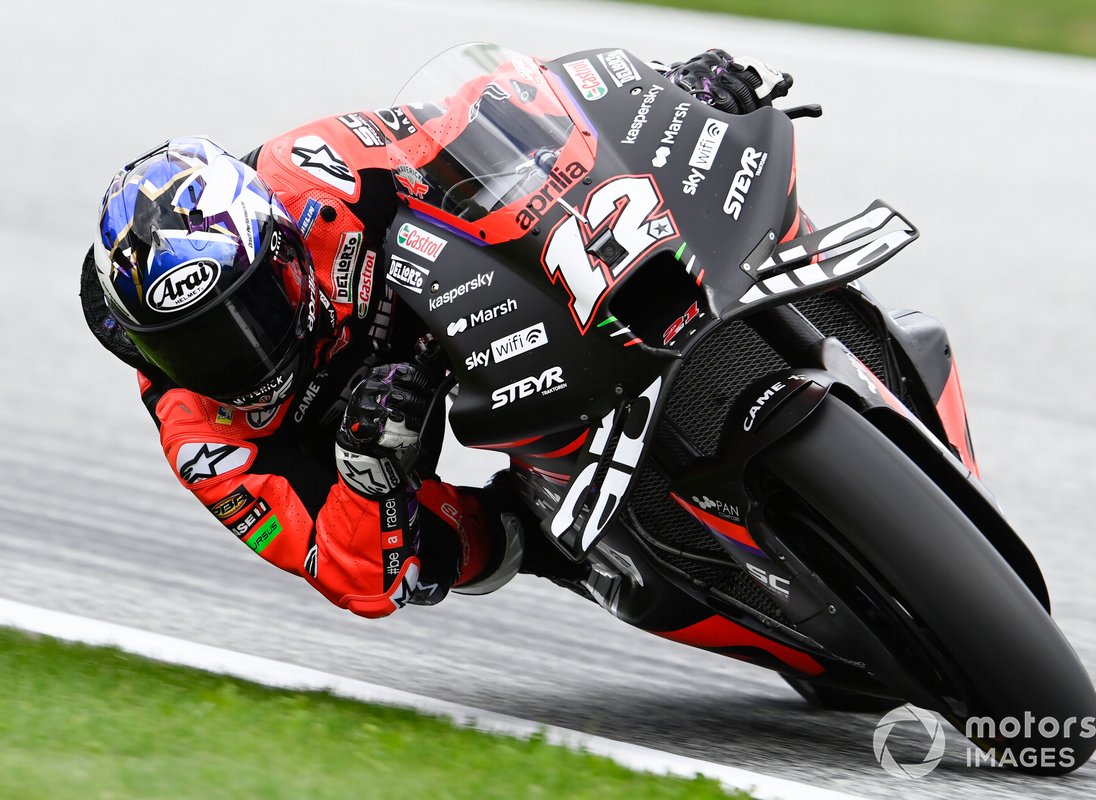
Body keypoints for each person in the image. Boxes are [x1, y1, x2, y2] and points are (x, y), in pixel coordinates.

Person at [80, 48, 792, 618]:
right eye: (195, 344)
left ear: (283, 246)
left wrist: (668, 98)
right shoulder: (204, 441)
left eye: (254, 306)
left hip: (457, 307)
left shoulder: (313, 170)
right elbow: (352, 579)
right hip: (371, 443)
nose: (241, 353)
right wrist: (367, 472)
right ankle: (547, 538)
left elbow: (480, 119)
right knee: (434, 561)